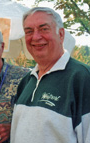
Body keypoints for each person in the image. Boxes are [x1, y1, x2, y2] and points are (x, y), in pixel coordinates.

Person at [10, 7, 90, 143]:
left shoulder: (82, 78)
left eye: (44, 29)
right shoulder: (26, 81)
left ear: (61, 34)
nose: (35, 37)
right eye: (29, 31)